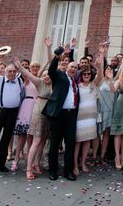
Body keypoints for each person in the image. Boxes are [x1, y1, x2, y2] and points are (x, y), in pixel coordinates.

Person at [43, 46, 80, 181]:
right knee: (54, 143)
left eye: (75, 68)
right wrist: (58, 55)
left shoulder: (75, 81)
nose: (73, 69)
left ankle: (68, 171)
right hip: (59, 115)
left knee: (70, 144)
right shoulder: (59, 75)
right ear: (66, 67)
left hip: (71, 116)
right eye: (71, 66)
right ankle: (53, 170)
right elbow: (51, 70)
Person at [14, 58, 52, 180]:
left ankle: (37, 164)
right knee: (36, 141)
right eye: (44, 75)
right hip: (39, 114)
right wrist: (20, 67)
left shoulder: (54, 85)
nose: (46, 77)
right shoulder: (40, 82)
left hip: (48, 115)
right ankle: (29, 168)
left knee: (42, 142)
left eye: (48, 75)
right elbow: (29, 74)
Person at [74, 47, 104, 176]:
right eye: (84, 74)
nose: (86, 76)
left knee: (87, 141)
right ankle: (75, 164)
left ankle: (83, 162)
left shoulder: (93, 85)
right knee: (78, 141)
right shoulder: (77, 85)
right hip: (80, 118)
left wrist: (101, 57)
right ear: (81, 75)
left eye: (88, 74)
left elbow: (101, 75)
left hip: (91, 118)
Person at [11, 60, 37, 171]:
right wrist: (19, 65)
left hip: (35, 107)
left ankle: (29, 161)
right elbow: (22, 72)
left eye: (37, 67)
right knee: (22, 136)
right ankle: (16, 159)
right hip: (26, 107)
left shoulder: (38, 80)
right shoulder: (26, 80)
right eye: (33, 67)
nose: (35, 69)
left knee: (31, 136)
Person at [97, 63, 116, 165]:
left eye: (111, 69)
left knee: (106, 134)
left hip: (110, 110)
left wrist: (111, 79)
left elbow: (113, 91)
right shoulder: (100, 80)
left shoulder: (114, 81)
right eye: (107, 69)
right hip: (100, 110)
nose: (109, 71)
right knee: (96, 133)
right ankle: (95, 155)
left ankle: (102, 156)